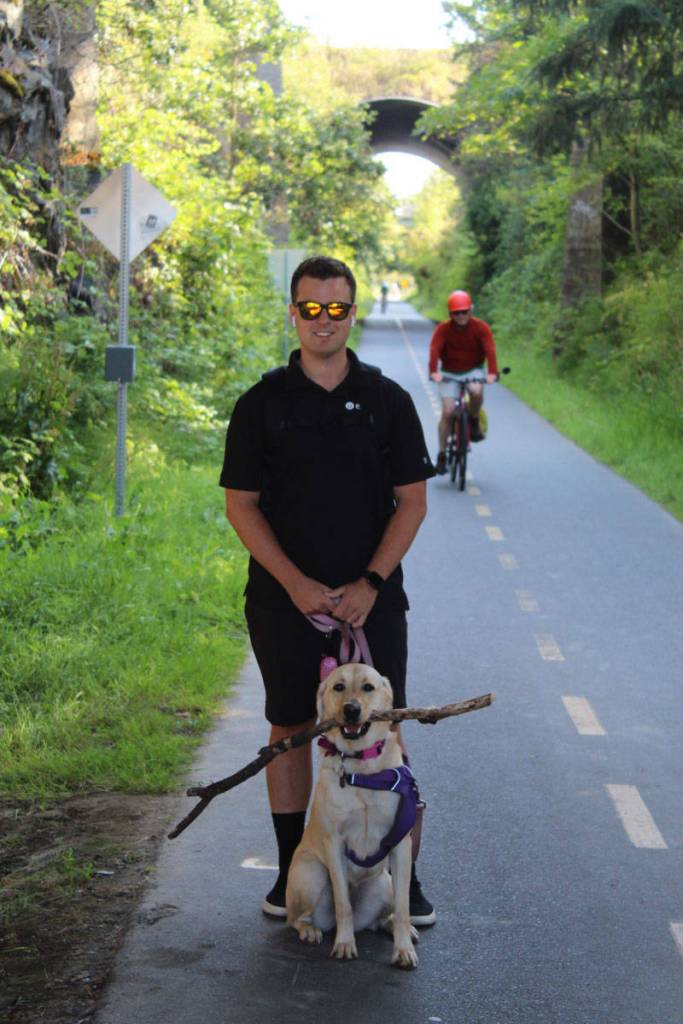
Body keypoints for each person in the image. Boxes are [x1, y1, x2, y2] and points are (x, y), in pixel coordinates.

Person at [220, 255, 436, 926]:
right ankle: (295, 871)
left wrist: (369, 582)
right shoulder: (260, 404)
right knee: (289, 726)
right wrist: (295, 584)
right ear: (293, 312)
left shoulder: (387, 401)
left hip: (373, 600)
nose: (323, 320)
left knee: (383, 729)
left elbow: (411, 502)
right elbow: (241, 506)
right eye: (310, 308)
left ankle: (405, 881)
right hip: (284, 601)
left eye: (336, 309)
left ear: (351, 312)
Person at [428, 289, 499, 475]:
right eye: (456, 312)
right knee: (448, 411)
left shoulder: (481, 328)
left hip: (473, 369)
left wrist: (492, 373)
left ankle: (473, 419)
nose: (461, 316)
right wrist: (433, 371)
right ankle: (442, 455)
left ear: (471, 311)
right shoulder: (443, 329)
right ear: (450, 314)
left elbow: (490, 350)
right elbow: (434, 350)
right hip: (449, 371)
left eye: (464, 311)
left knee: (476, 391)